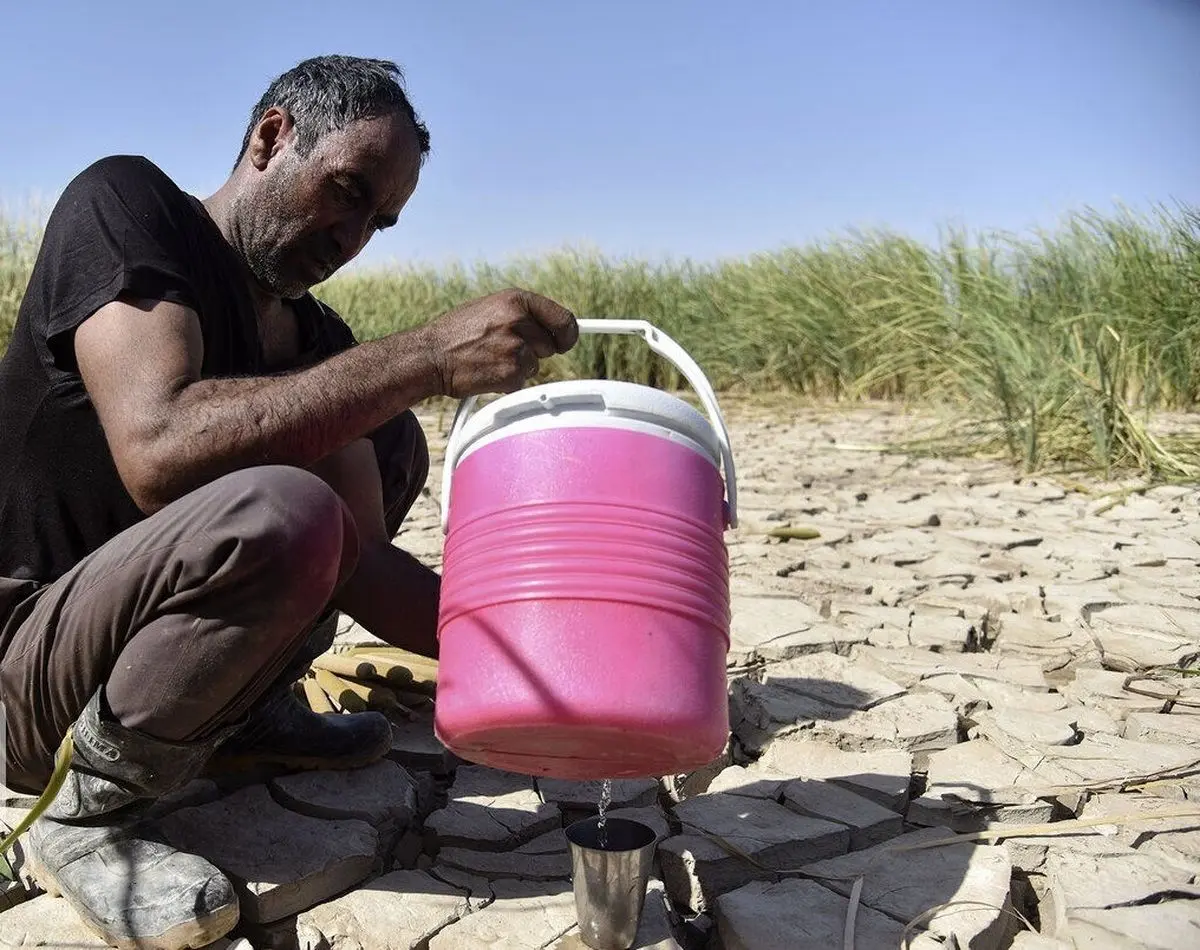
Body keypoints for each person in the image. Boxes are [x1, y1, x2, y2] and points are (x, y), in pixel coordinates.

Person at [0, 54, 578, 948]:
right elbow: (156, 447)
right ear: (273, 138)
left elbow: (362, 564)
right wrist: (424, 357)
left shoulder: (312, 334)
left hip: (156, 645)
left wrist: (548, 656)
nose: (351, 238)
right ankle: (83, 816)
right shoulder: (129, 208)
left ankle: (240, 711)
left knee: (384, 441)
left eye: (379, 224)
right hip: (32, 675)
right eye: (345, 191)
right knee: (291, 507)